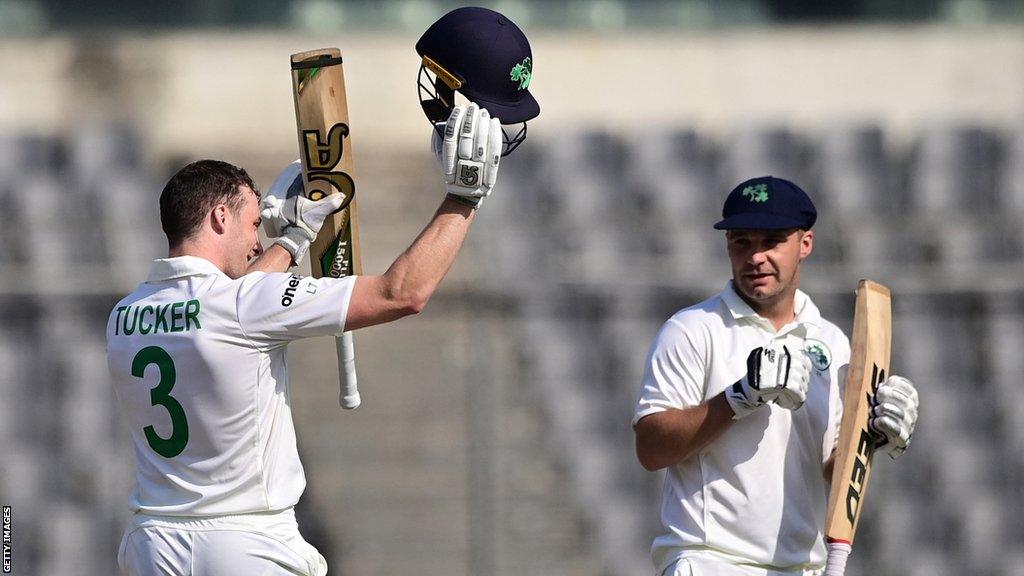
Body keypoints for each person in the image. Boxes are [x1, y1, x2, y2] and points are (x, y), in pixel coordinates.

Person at [107, 103, 501, 576]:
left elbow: (229, 303)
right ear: (218, 217)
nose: (257, 242)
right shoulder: (243, 306)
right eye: (254, 224)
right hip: (245, 544)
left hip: (151, 544)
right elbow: (403, 293)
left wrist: (292, 241)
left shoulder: (125, 315)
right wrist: (464, 197)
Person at [632, 176, 920, 576]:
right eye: (742, 242)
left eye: (771, 242)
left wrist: (872, 438)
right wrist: (737, 397)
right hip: (711, 560)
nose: (755, 257)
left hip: (803, 567)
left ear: (805, 244)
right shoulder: (692, 330)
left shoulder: (832, 342)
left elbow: (833, 467)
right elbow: (651, 449)